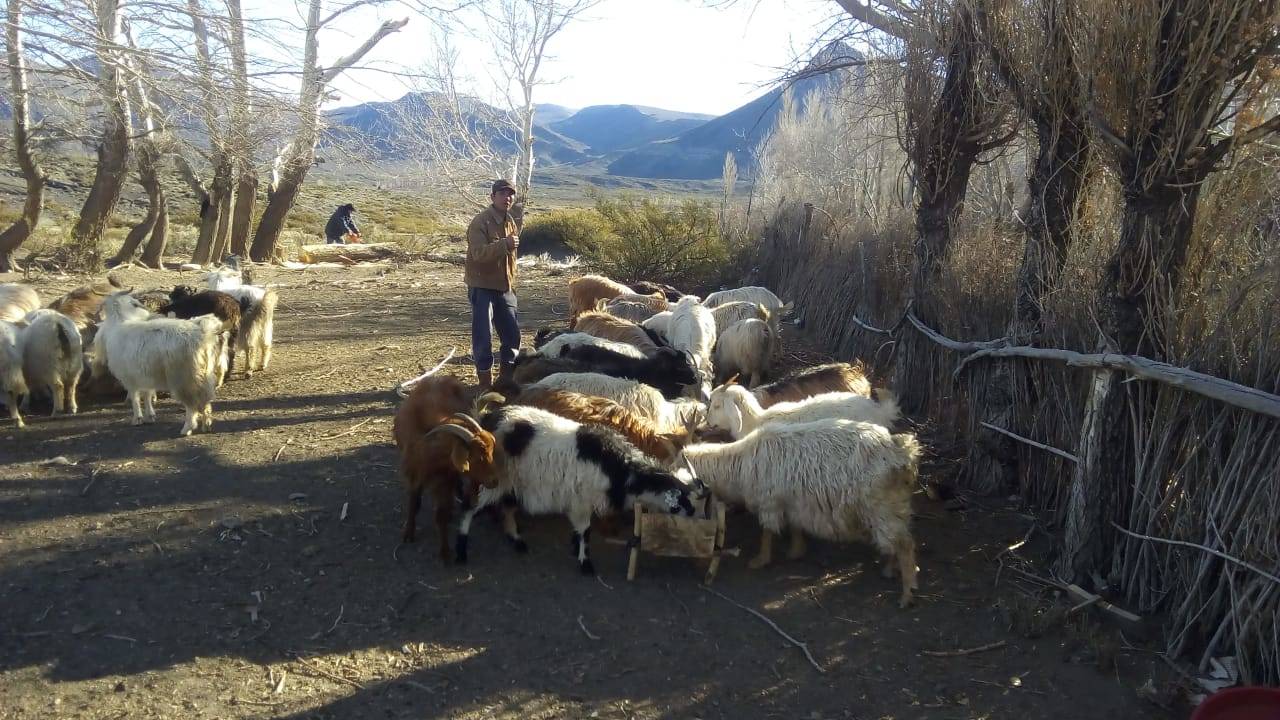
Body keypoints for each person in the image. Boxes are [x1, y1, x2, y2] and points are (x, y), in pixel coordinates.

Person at [463, 179, 521, 390]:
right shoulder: (480, 222)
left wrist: (512, 280)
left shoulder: (510, 221)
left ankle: (505, 380)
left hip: (505, 287)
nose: (508, 198)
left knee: (512, 334)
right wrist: (504, 244)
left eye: (511, 194)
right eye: (503, 193)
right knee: (483, 336)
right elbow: (478, 254)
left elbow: (510, 258)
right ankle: (485, 385)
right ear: (493, 196)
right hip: (482, 286)